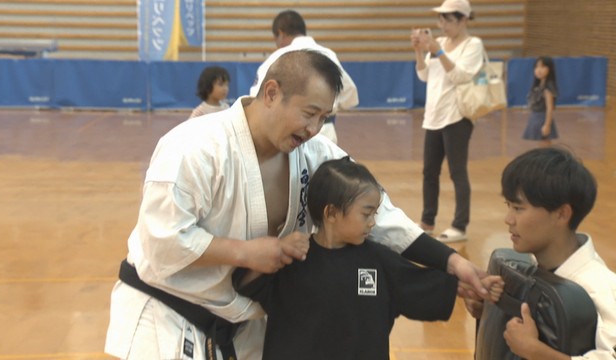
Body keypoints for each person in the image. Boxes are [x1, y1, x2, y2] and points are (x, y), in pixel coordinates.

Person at [105, 49, 490, 360]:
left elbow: (380, 214)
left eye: (324, 117)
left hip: (242, 325)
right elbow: (162, 243)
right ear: (271, 92)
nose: (314, 129)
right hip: (168, 316)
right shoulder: (193, 147)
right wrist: (245, 252)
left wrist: (452, 262)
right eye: (309, 113)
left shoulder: (315, 151)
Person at [232, 156, 503, 360]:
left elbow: (422, 285)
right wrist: (278, 248)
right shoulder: (293, 261)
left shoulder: (380, 261)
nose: (373, 222)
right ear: (331, 213)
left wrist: (473, 288)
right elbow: (246, 281)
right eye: (367, 213)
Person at [466, 147, 616, 359]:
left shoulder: (599, 288)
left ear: (562, 214)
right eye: (508, 206)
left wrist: (536, 352)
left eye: (518, 208)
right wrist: (490, 311)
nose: (508, 219)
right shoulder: (531, 272)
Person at [411, 0, 483, 242]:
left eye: (448, 20)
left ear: (463, 20)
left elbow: (461, 76)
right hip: (434, 116)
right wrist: (419, 51)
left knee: (457, 172)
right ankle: (427, 221)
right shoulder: (439, 43)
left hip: (457, 117)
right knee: (429, 172)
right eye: (440, 20)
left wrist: (438, 52)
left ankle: (459, 225)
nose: (442, 25)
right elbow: (423, 75)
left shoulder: (473, 44)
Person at [249, 9, 359, 144]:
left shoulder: (278, 57)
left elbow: (257, 99)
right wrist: (324, 112)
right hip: (326, 133)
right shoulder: (328, 55)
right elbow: (350, 95)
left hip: (290, 133)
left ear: (281, 33)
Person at [522, 56, 559, 144]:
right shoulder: (538, 86)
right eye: (537, 67)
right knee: (540, 146)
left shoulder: (548, 87)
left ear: (549, 69)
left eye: (542, 67)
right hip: (535, 118)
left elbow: (550, 108)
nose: (539, 70)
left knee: (545, 146)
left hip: (542, 119)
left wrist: (547, 125)